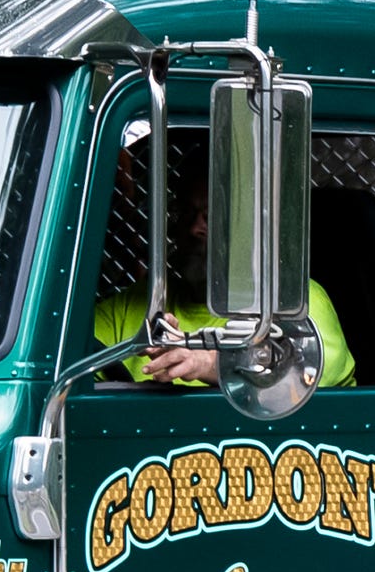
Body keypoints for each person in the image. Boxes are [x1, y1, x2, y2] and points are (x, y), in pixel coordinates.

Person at [91, 141, 357, 388]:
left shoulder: (295, 300)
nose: (196, 228)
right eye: (187, 212)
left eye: (213, 216)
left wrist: (212, 364)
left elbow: (302, 375)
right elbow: (69, 350)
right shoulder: (141, 304)